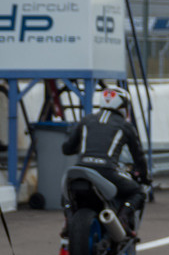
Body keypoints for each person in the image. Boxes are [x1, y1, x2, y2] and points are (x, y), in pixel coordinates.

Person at [59, 86, 152, 224]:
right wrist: (144, 177)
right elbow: (138, 156)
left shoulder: (86, 120)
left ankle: (68, 220)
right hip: (107, 171)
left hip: (81, 169)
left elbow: (66, 149)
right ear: (123, 106)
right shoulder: (125, 126)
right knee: (138, 192)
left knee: (67, 192)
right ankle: (123, 217)